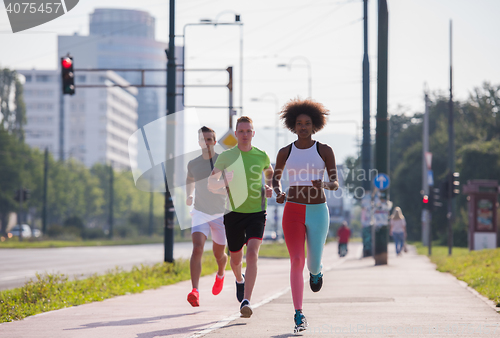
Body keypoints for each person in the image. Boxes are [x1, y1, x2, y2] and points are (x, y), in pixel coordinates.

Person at [272, 98, 339, 333]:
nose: (303, 127)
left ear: (314, 125)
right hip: (292, 210)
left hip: (318, 211)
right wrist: (278, 193)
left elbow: (335, 183)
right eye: (299, 123)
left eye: (307, 123)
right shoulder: (285, 152)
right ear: (293, 125)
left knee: (311, 263)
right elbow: (276, 178)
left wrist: (324, 183)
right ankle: (299, 314)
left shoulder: (324, 150)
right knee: (297, 260)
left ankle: (317, 271)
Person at [208, 116, 274, 318]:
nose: (245, 135)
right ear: (236, 134)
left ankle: (247, 300)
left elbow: (270, 172)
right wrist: (223, 181)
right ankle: (239, 279)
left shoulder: (261, 156)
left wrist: (270, 186)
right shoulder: (226, 157)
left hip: (256, 212)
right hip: (233, 213)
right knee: (236, 260)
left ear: (253, 134)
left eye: (248, 131)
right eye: (241, 131)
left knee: (253, 253)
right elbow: (211, 184)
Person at [186, 126, 228, 307]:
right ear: (199, 142)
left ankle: (220, 273)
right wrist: (189, 194)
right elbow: (190, 180)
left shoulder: (221, 161)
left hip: (220, 213)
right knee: (197, 248)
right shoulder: (193, 163)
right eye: (203, 139)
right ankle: (195, 291)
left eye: (210, 139)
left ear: (215, 141)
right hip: (200, 211)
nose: (207, 142)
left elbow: (229, 186)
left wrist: (219, 187)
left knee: (219, 254)